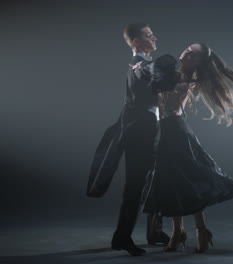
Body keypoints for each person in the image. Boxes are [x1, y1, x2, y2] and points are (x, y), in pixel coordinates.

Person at [141, 43, 233, 253]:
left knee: (190, 179)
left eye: (193, 53)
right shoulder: (173, 73)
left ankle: (200, 229)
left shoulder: (189, 78)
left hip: (176, 130)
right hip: (166, 130)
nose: (186, 52)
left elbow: (166, 89)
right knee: (172, 181)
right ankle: (179, 232)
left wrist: (145, 70)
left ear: (199, 62)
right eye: (187, 49)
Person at [87, 23, 175, 256]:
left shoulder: (142, 64)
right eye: (148, 35)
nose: (154, 37)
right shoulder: (140, 66)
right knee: (135, 185)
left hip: (151, 129)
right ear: (136, 42)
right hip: (139, 133)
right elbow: (152, 85)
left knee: (155, 181)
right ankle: (122, 237)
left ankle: (154, 232)